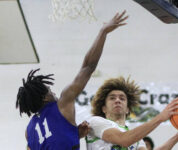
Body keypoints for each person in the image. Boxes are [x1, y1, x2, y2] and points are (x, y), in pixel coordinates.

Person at [15, 10, 129, 150]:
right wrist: (103, 32)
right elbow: (88, 66)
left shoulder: (29, 131)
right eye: (50, 91)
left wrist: (74, 134)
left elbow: (51, 141)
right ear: (45, 97)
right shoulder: (62, 104)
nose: (55, 94)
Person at [86, 76, 178, 150]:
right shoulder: (96, 122)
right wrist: (160, 117)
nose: (117, 100)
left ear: (128, 109)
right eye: (112, 98)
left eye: (122, 98)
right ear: (104, 108)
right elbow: (123, 140)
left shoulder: (136, 138)